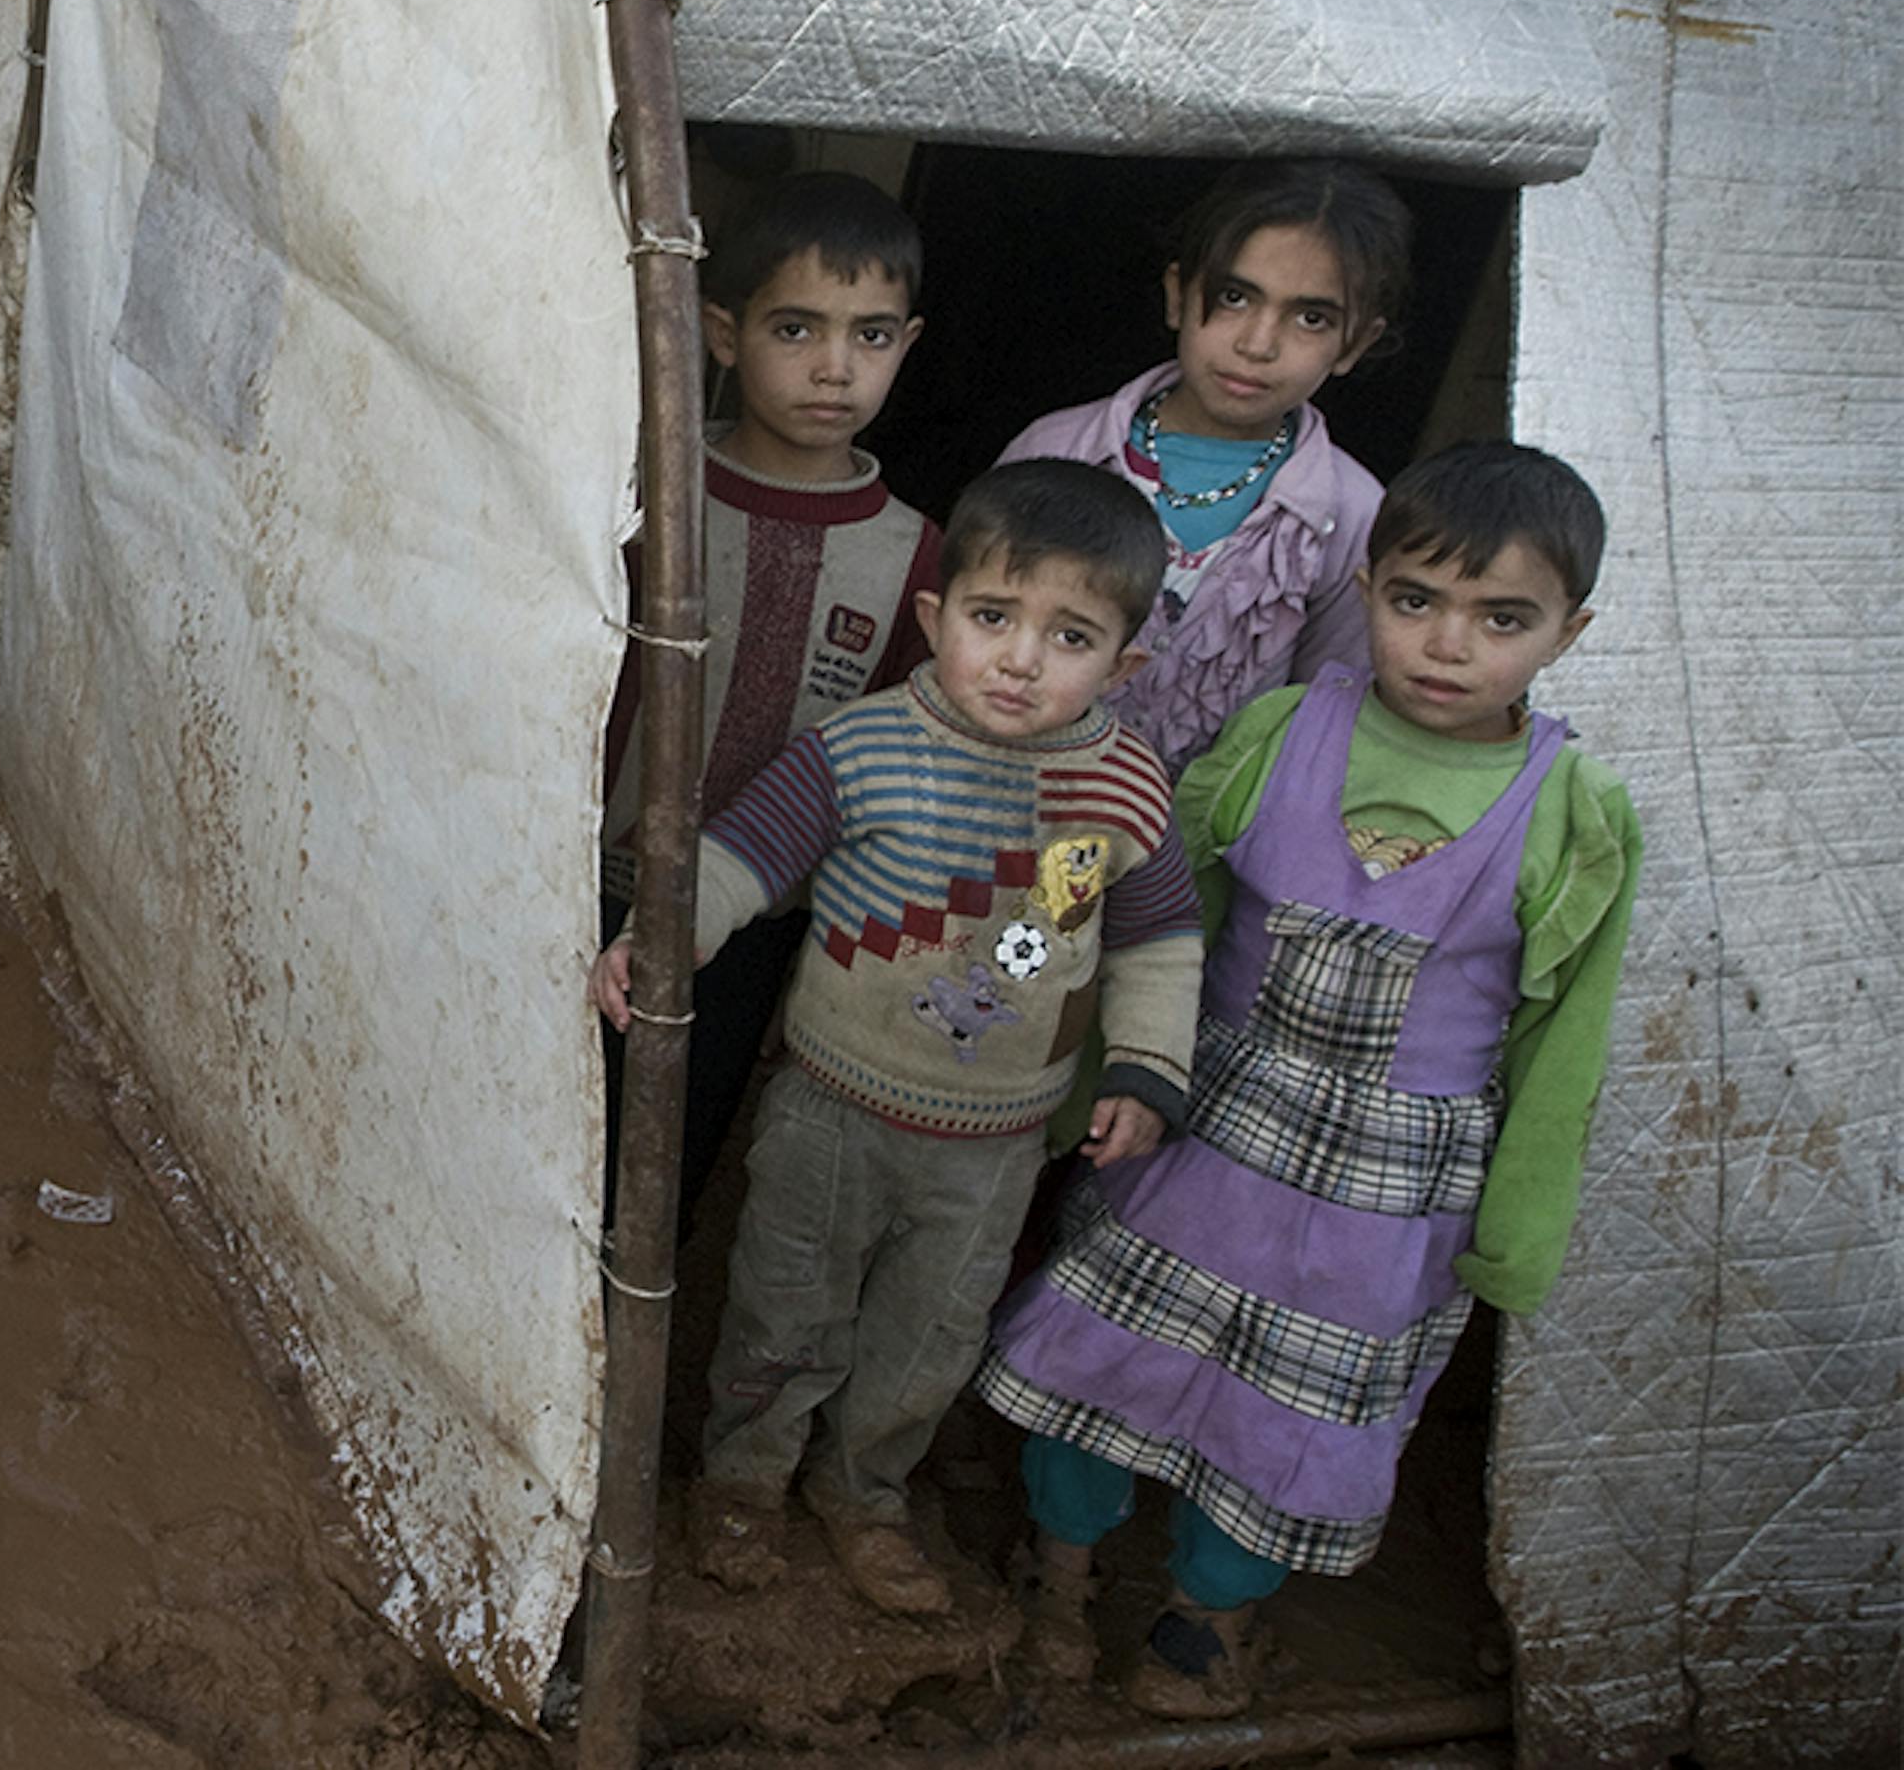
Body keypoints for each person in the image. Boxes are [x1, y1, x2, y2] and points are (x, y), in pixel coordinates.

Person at [973, 442, 1642, 1719]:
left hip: (1383, 1205)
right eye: (1413, 601)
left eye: (1502, 618)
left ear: (1570, 630)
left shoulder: (1577, 811)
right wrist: (1085, 1084)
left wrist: (1521, 1228)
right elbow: (1166, 917)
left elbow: (1570, 1039)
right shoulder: (1285, 731)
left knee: (1294, 1419)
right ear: (1369, 587)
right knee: (1103, 1350)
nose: (1448, 645)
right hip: (1203, 1132)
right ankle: (1056, 1576)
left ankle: (1200, 1623)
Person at [591, 461, 1204, 1618]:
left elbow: (1160, 941)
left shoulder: (1122, 793)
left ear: (1124, 665)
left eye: (1069, 636)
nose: (1021, 658)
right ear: (937, 617)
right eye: (992, 618)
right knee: (785, 1301)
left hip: (995, 1146)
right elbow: (745, 853)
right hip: (831, 1106)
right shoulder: (866, 745)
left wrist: (1146, 1070)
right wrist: (664, 935)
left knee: (928, 1335)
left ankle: (866, 1494)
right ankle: (744, 1477)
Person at [596, 170, 943, 1211]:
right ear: (720, 333)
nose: (835, 368)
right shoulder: (641, 498)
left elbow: (895, 766)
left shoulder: (918, 558)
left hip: (756, 931)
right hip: (589, 882)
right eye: (797, 329)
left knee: (663, 1158)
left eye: (871, 336)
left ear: (907, 347)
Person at [998, 160, 1415, 771]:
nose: (1257, 343)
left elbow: (1326, 723)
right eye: (1235, 297)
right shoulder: (1059, 449)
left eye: (1311, 318)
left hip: (1202, 852)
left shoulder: (1350, 514)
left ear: (1355, 343)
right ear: (1177, 295)